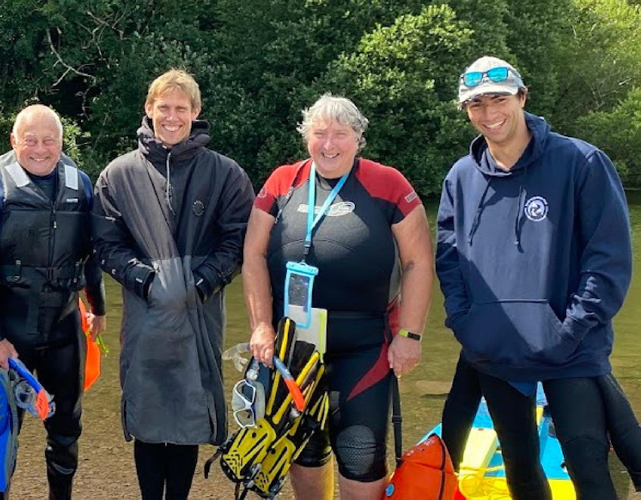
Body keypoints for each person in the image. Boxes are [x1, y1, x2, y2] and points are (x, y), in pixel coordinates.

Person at [437, 56, 637, 499]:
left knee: (588, 467)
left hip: (570, 350)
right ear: (466, 111)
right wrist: (468, 325)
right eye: (476, 104)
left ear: (522, 98)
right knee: (519, 468)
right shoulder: (461, 177)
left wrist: (568, 331)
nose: (489, 113)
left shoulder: (581, 162)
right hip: (496, 350)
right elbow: (450, 262)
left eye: (499, 99)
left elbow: (608, 262)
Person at [242, 94, 432, 500]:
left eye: (340, 134)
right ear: (306, 137)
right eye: (319, 134)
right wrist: (260, 324)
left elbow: (418, 262)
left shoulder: (388, 183)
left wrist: (410, 335)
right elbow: (253, 255)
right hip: (295, 346)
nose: (329, 144)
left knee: (360, 453)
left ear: (358, 138)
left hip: (364, 345)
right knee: (303, 449)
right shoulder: (283, 181)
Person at [92, 69, 253, 500]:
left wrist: (203, 282)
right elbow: (106, 242)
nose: (171, 116)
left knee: (188, 415)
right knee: (148, 412)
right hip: (144, 314)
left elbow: (238, 238)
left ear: (195, 112)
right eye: (163, 107)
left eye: (181, 108)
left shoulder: (225, 173)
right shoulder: (118, 174)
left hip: (200, 312)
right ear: (149, 108)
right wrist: (143, 280)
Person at [0, 104, 108, 500]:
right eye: (31, 140)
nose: (41, 149)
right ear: (14, 141)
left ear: (62, 143)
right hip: (10, 335)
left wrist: (97, 307)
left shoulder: (80, 184)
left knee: (66, 428)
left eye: (50, 141)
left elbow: (91, 255)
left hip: (64, 329)